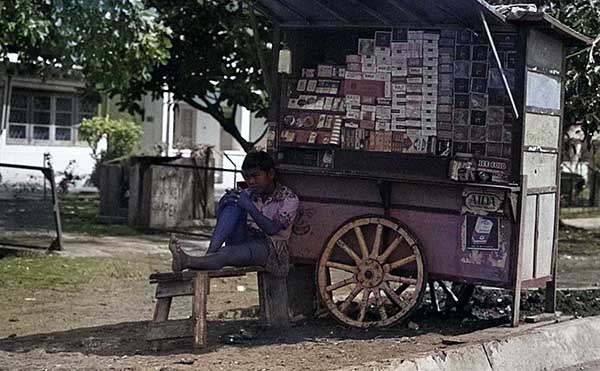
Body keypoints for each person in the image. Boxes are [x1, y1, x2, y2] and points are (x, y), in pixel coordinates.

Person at [169, 151, 299, 277]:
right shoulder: (248, 193)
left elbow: (272, 229)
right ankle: (209, 254)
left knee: (227, 253)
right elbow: (227, 222)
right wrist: (223, 205)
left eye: (255, 176)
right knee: (233, 203)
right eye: (247, 177)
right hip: (244, 237)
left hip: (269, 248)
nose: (251, 181)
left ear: (270, 174)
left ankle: (187, 261)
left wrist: (249, 206)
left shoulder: (288, 199)